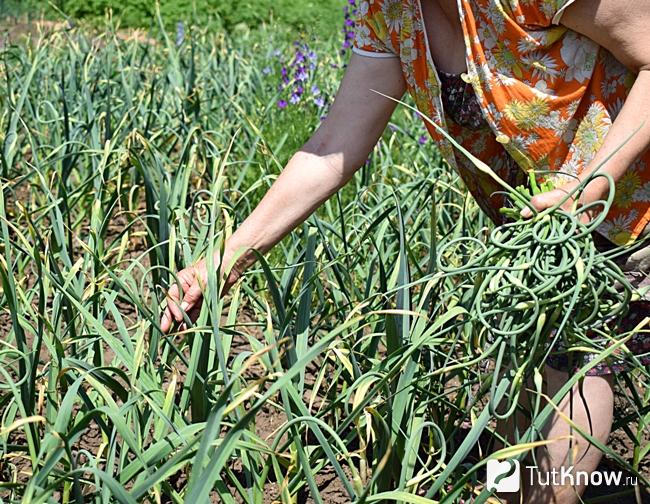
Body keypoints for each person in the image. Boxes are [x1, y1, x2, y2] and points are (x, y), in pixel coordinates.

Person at [160, 1, 650, 502]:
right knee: (517, 365)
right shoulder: (390, 12)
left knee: (567, 361)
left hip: (629, 210)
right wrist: (227, 259)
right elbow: (332, 147)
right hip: (539, 233)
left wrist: (591, 184)